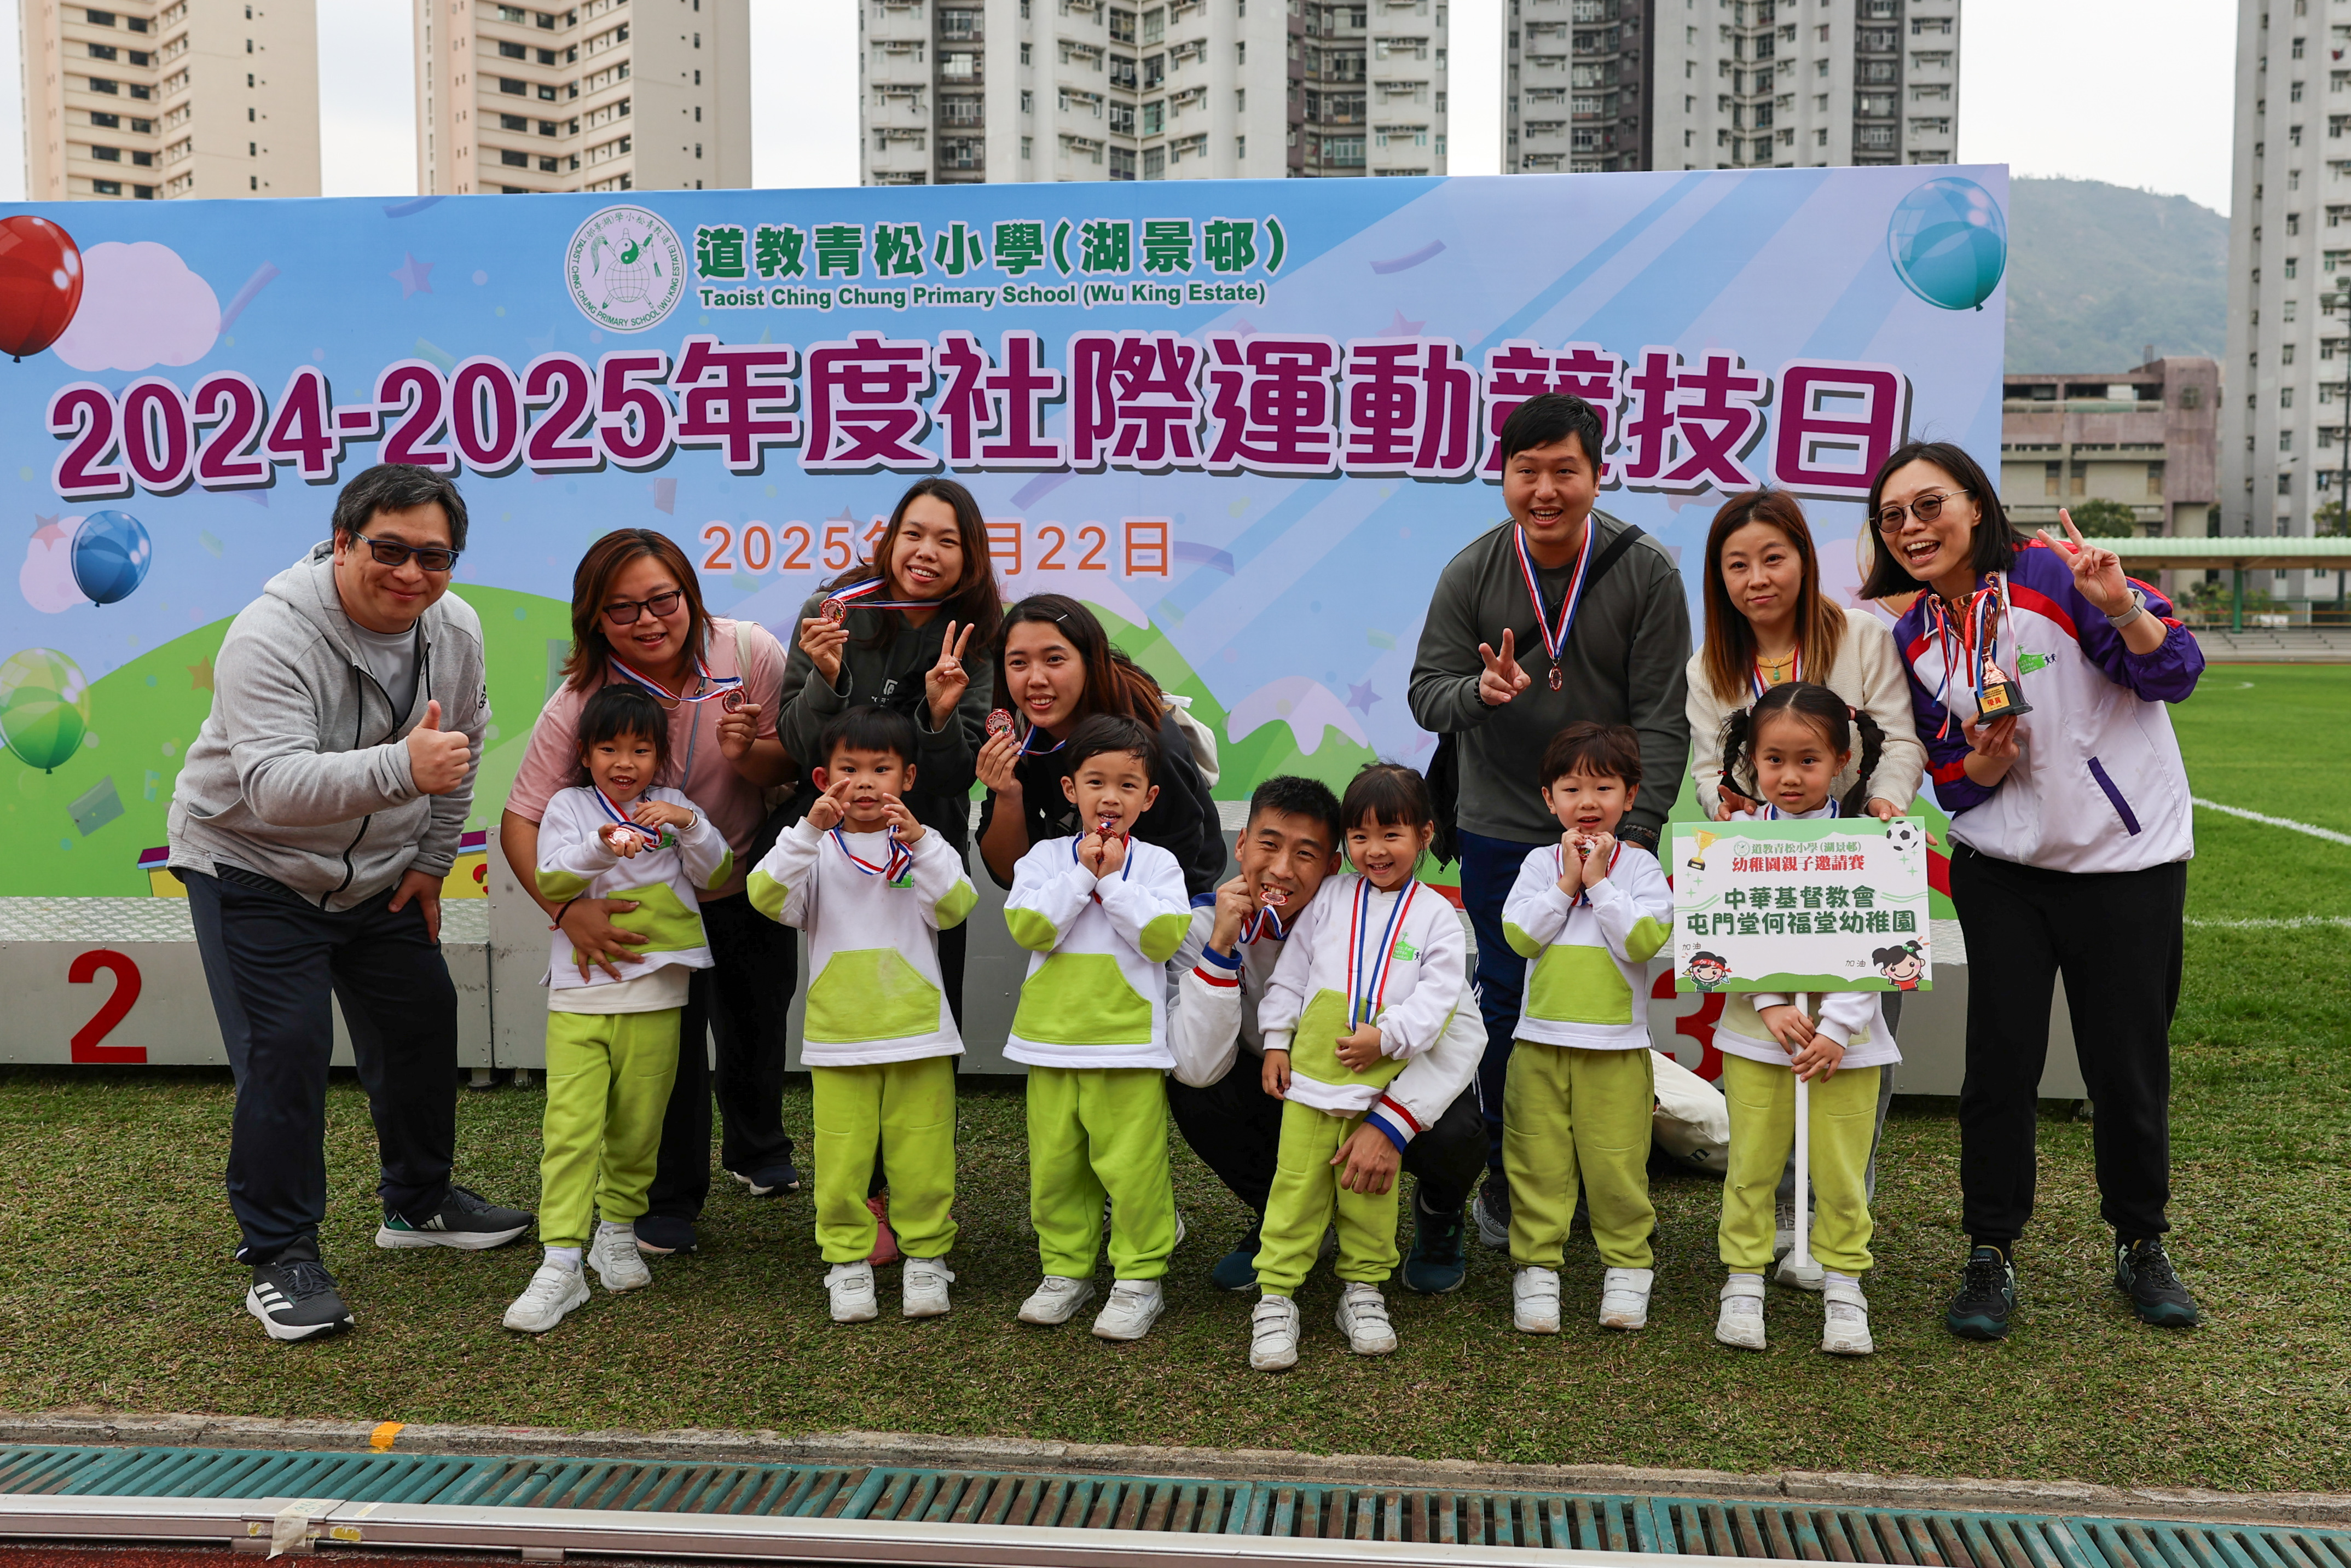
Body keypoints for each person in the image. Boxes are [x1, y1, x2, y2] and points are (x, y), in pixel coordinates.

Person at [168, 462, 531, 1342]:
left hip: (379, 873)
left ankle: (418, 1203)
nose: (411, 573)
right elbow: (271, 787)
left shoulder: (456, 627)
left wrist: (433, 862)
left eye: (434, 557)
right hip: (250, 867)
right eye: (389, 549)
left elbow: (462, 746)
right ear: (342, 542)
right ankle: (281, 1256)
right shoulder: (270, 634)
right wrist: (403, 767)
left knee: (422, 1018)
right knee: (286, 1048)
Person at [1863, 441, 2205, 1340]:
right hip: (2002, 873)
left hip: (2125, 864)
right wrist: (1984, 760)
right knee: (1998, 1066)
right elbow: (1951, 779)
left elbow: (2173, 673)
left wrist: (2120, 605)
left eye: (1929, 505)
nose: (1911, 528)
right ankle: (1989, 1251)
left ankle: (2141, 1241)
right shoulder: (1914, 635)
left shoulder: (2057, 575)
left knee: (2126, 1063)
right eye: (1892, 517)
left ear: (1975, 505)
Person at [1407, 393, 1693, 1253]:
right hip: (1500, 820)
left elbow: (1662, 717)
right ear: (1503, 477)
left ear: (1597, 476)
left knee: (1606, 998)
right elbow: (1427, 695)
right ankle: (1509, 1171)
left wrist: (1634, 834)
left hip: (1611, 831)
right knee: (1505, 996)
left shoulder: (1647, 572)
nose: (1544, 489)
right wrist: (1478, 691)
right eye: (1525, 470)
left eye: (1564, 470)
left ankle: (1602, 1170)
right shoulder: (1470, 573)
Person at [499, 529, 798, 1257]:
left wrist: (747, 751)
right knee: (669, 1054)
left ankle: (757, 1147)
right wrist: (566, 910)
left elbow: (792, 763)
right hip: (650, 902)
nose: (647, 620)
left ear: (689, 594)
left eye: (663, 599)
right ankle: (669, 1200)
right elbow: (521, 819)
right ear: (594, 619)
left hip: (740, 872)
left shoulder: (750, 652)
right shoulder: (579, 702)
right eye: (622, 608)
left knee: (757, 1022)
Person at [1683, 488, 1926, 1287]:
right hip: (1764, 873)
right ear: (1719, 577)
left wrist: (1883, 803)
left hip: (1858, 869)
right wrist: (1725, 802)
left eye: (1773, 558)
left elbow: (1901, 741)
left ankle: (1838, 1214)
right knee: (1774, 1041)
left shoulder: (1862, 636)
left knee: (1854, 1043)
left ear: (1804, 560)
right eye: (1737, 565)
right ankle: (1781, 1218)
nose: (1757, 578)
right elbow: (1707, 768)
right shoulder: (1709, 666)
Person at [1168, 777, 1486, 1298]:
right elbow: (1198, 1066)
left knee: (1458, 1129)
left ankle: (1439, 1210)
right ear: (1241, 843)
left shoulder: (1411, 917)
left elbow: (1462, 1035)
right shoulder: (1202, 923)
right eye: (1269, 844)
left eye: (1305, 853)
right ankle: (1285, 1215)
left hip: (1384, 1082)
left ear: (1333, 865)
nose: (1281, 869)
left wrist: (1391, 1124)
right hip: (1288, 1086)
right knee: (1197, 1092)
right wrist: (1221, 948)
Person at [505, 686, 733, 1334]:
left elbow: (717, 873)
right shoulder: (568, 807)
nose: (625, 762)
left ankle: (617, 1232)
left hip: (660, 992)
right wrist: (603, 845)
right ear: (584, 753)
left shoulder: (677, 807)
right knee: (571, 1129)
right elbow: (552, 879)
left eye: (640, 749)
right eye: (609, 748)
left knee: (639, 1126)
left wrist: (690, 825)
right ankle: (560, 1261)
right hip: (581, 994)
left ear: (660, 756)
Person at [747, 705, 977, 1324]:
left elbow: (956, 907)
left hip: (920, 1034)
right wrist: (806, 831)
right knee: (842, 1160)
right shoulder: (811, 848)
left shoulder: (927, 845)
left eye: (882, 768)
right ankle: (847, 1260)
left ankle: (926, 1256)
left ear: (909, 778)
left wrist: (921, 843)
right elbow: (765, 897)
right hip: (839, 1035)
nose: (867, 783)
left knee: (924, 1157)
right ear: (825, 780)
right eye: (850, 769)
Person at [1247, 764, 1467, 1372]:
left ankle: (1364, 1291)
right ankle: (1276, 1297)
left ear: (1425, 834)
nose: (1375, 850)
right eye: (1360, 835)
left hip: (1377, 1089)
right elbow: (1292, 973)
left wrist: (1387, 1039)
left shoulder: (1438, 916)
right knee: (1294, 1191)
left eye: (1391, 834)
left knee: (1370, 1196)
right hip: (1310, 1085)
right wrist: (1277, 1041)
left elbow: (1438, 1001)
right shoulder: (1330, 897)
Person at [1706, 681, 1902, 1357]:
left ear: (1842, 760)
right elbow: (1722, 930)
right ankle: (1742, 1281)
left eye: (1809, 760)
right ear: (1751, 762)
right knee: (1751, 1167)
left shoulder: (1870, 841)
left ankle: (1844, 1286)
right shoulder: (1732, 840)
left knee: (1843, 1174)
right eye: (1774, 760)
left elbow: (1880, 941)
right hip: (1756, 1041)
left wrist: (1837, 1028)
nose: (1790, 776)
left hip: (1848, 1045)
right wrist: (1770, 1002)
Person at [774, 478, 1000, 1023]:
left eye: (947, 541)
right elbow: (797, 746)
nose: (927, 552)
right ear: (890, 540)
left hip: (925, 833)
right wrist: (827, 679)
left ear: (970, 557)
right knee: (828, 974)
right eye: (913, 534)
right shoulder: (834, 613)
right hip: (833, 826)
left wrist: (941, 715)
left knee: (934, 989)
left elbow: (955, 778)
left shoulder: (978, 634)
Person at [1001, 715, 1195, 1343]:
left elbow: (1162, 939)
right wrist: (1082, 874)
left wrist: (1110, 882)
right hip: (1050, 1045)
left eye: (1127, 785)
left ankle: (1139, 1279)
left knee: (1133, 1172)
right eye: (1096, 782)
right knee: (1057, 1170)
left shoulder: (1160, 865)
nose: (1111, 797)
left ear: (1149, 797)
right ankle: (1066, 1272)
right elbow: (1031, 928)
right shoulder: (1043, 860)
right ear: (1070, 790)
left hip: (1129, 1050)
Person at [1498, 722, 1675, 1337]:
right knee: (1536, 1161)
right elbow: (1521, 936)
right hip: (1538, 1045)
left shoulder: (1642, 867)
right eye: (1572, 789)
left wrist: (1599, 883)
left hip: (1616, 1050)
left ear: (1631, 796)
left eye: (1604, 787)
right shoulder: (1536, 864)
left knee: (1617, 1164)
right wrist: (1567, 882)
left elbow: (1643, 941)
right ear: (1549, 799)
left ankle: (1627, 1268)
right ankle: (1537, 1270)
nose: (1588, 802)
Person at [976, 594, 1226, 905]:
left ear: (1090, 661)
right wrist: (1008, 795)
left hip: (1161, 911)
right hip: (1075, 906)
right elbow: (1011, 873)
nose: (1036, 679)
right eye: (1018, 663)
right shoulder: (1019, 735)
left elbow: (1183, 868)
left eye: (1054, 660)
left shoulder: (1147, 739)